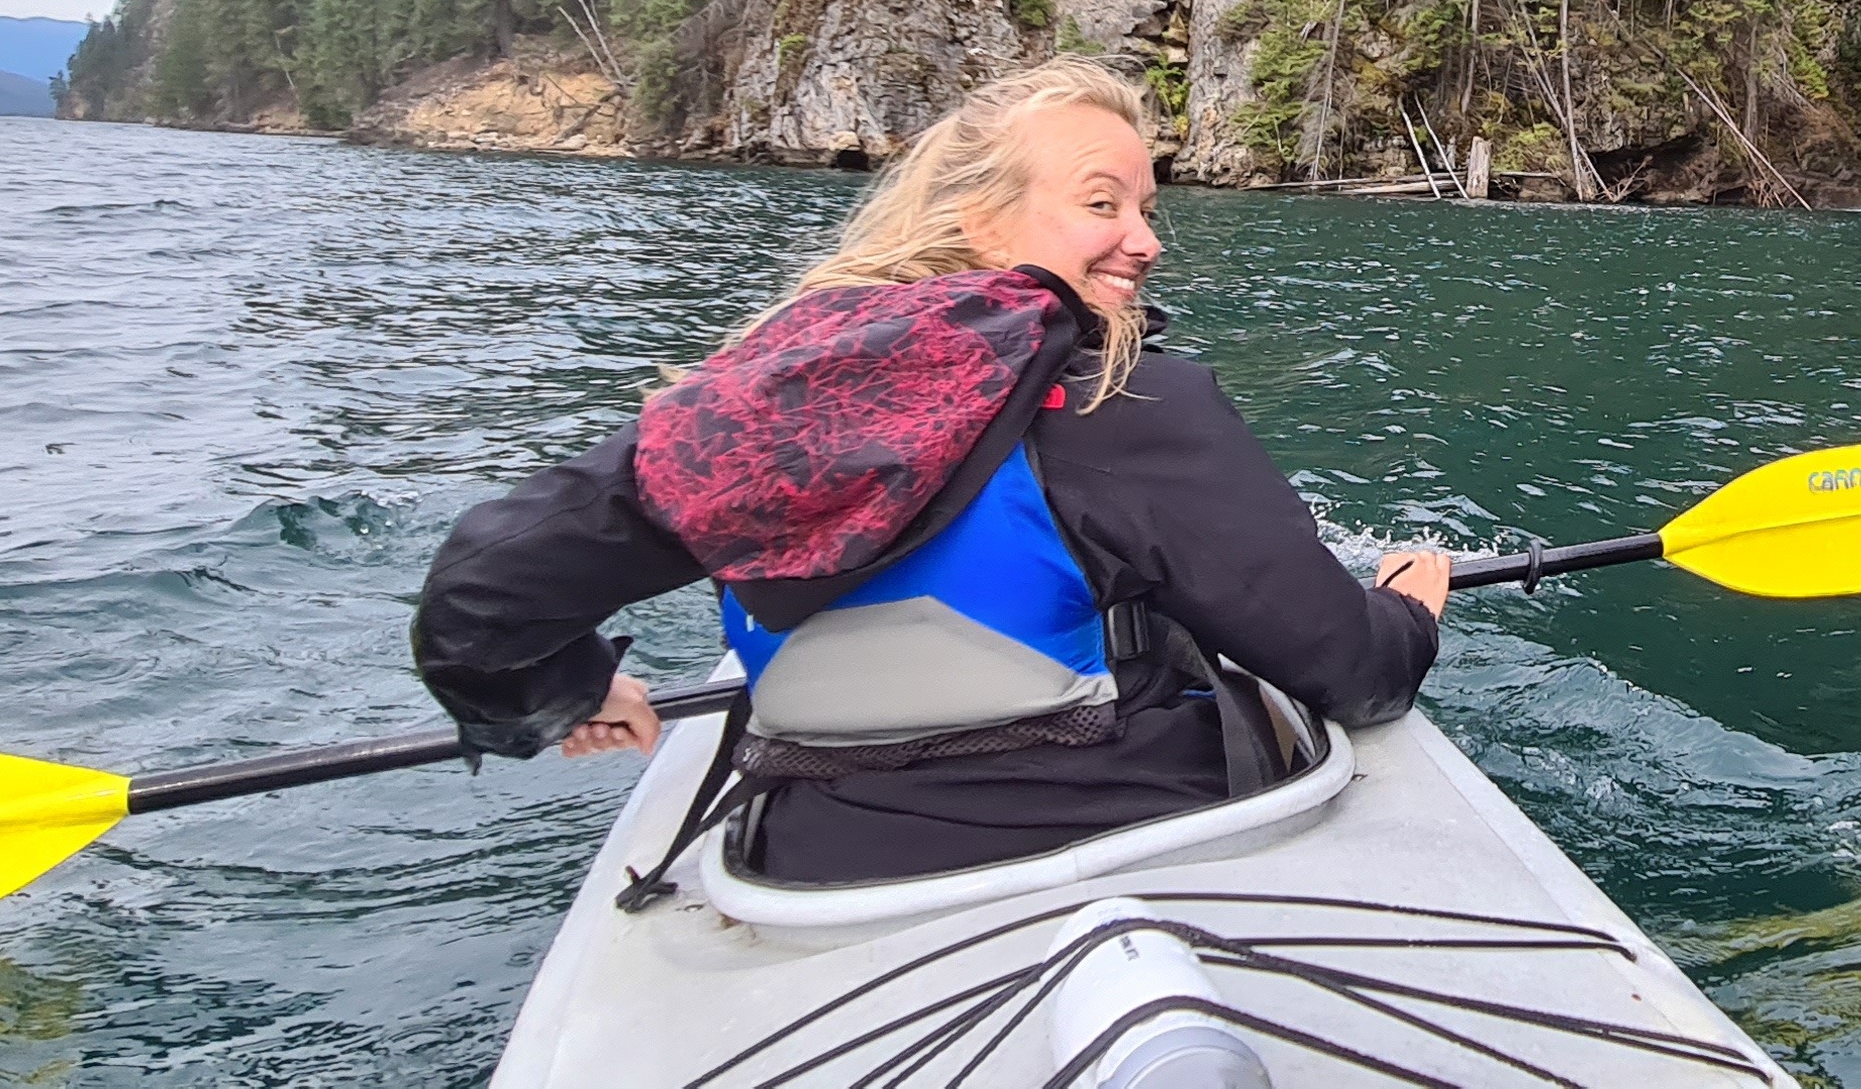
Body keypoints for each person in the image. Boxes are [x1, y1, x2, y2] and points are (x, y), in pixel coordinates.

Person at [410, 57, 1450, 882]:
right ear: (979, 221)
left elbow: (476, 598)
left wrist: (567, 687)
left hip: (815, 866)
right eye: (1103, 205)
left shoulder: (753, 406)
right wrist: (1405, 612)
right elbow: (1352, 675)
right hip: (1141, 834)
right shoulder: (1132, 404)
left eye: (1147, 208)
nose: (1144, 240)